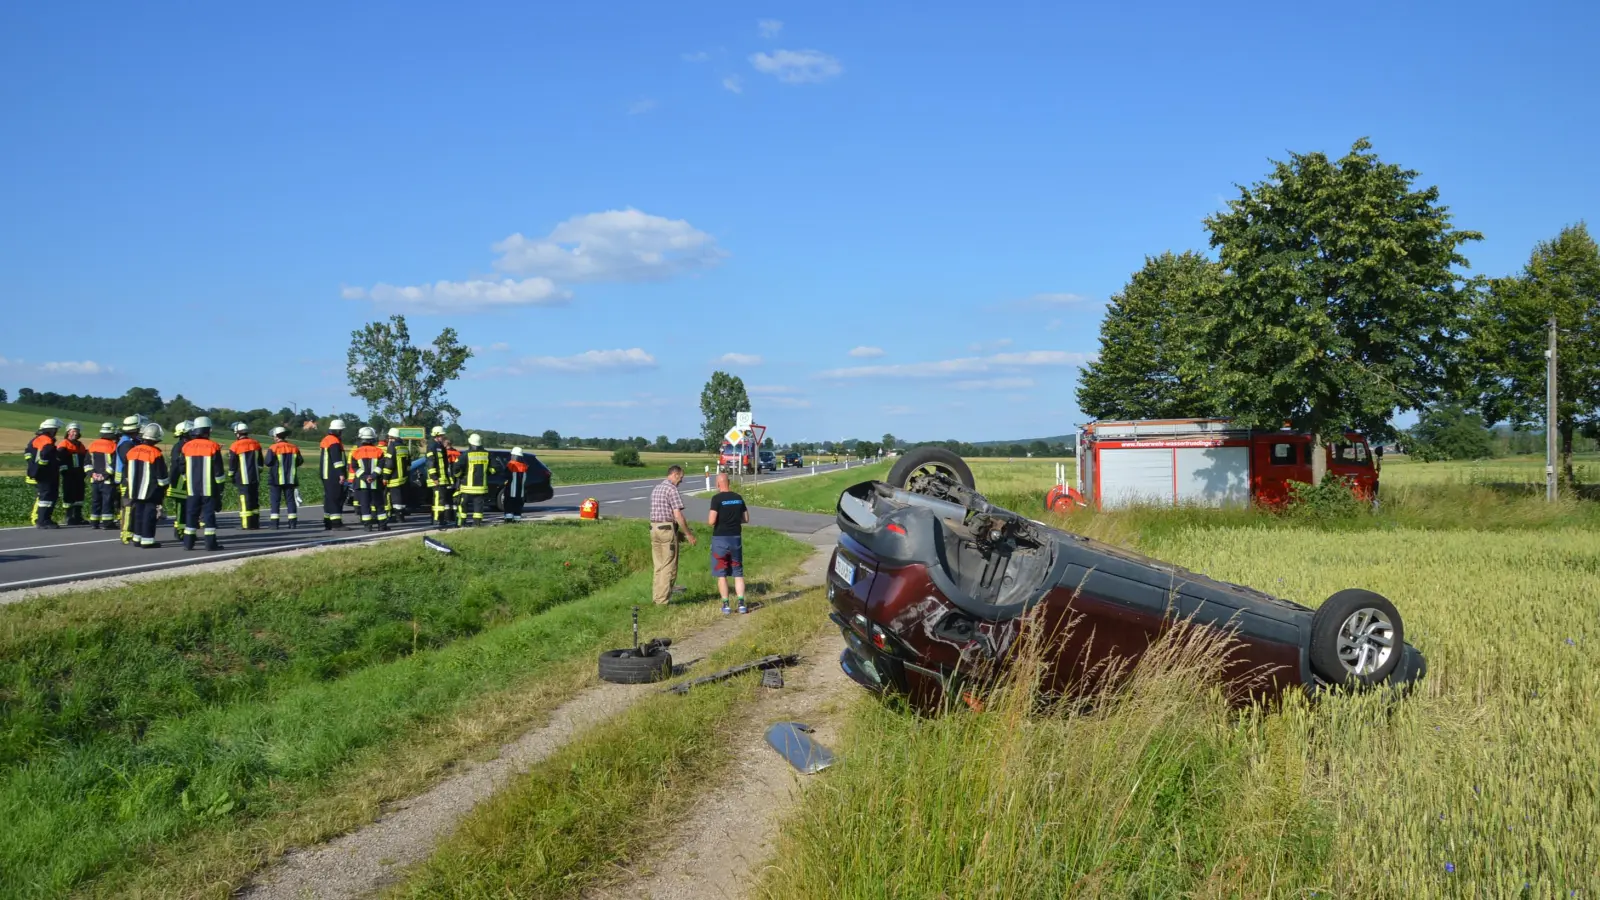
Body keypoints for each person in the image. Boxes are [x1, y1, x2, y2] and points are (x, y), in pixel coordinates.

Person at [648, 465, 697, 605]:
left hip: (654, 528)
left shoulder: (657, 488)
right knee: (669, 566)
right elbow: (677, 515)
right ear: (675, 474)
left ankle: (657, 597)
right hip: (666, 530)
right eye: (680, 478)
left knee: (658, 565)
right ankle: (662, 601)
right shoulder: (671, 489)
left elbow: (661, 513)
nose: (680, 481)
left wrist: (678, 532)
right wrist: (688, 534)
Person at [180, 416, 228, 551]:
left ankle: (188, 544)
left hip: (192, 489)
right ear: (208, 430)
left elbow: (181, 467)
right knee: (208, 516)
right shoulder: (213, 446)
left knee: (191, 515)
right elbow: (219, 471)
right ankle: (210, 544)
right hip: (209, 489)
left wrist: (187, 480)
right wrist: (220, 487)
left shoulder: (186, 446)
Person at [707, 472, 751, 614]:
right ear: (729, 482)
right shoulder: (738, 498)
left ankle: (726, 605)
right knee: (738, 572)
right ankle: (741, 603)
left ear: (718, 483)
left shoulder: (716, 499)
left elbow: (711, 521)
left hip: (720, 539)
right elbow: (746, 518)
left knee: (722, 573)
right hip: (735, 538)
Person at [123, 422, 169, 549]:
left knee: (137, 514)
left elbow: (126, 471)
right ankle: (147, 540)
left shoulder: (132, 451)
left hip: (134, 490)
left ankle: (137, 538)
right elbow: (162, 476)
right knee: (149, 515)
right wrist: (164, 489)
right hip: (150, 492)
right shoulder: (155, 453)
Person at [349, 426, 390, 531]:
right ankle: (382, 526)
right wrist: (372, 477)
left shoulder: (356, 452)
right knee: (379, 505)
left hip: (362, 484)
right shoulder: (379, 451)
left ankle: (367, 526)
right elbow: (381, 466)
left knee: (365, 505)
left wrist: (364, 477)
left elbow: (354, 467)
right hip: (375, 483)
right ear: (373, 439)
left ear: (361, 439)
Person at [24, 418, 63, 528]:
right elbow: (46, 454)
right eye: (55, 429)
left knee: (47, 496)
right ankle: (42, 520)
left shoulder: (36, 439)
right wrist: (43, 465)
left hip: (41, 472)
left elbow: (28, 453)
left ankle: (45, 519)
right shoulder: (46, 440)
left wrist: (34, 466)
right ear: (51, 429)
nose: (56, 431)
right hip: (46, 474)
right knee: (46, 496)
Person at [264, 426, 302, 528]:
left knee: (275, 501)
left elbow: (268, 462)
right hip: (291, 479)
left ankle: (274, 524)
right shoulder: (294, 447)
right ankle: (292, 523)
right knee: (290, 501)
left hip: (276, 479)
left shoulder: (273, 447)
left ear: (277, 436)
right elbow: (300, 461)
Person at [228, 422, 264, 530]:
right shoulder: (256, 443)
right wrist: (259, 471)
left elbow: (232, 463)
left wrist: (231, 475)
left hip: (242, 478)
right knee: (254, 500)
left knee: (245, 501)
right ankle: (255, 523)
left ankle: (246, 524)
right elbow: (260, 461)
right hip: (255, 477)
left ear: (237, 433)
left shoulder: (235, 445)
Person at [452, 433, 492, 526]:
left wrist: (460, 476)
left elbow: (456, 468)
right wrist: (486, 473)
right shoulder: (487, 454)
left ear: (470, 443)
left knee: (463, 505)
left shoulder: (466, 455)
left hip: (467, 487)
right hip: (481, 487)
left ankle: (461, 523)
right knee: (478, 506)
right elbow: (495, 468)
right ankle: (477, 524)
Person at [87, 422, 120, 530]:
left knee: (96, 501)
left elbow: (87, 462)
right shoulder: (113, 446)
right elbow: (115, 463)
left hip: (94, 479)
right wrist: (105, 475)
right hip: (107, 480)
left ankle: (94, 522)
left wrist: (92, 474)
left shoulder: (93, 444)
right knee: (107, 501)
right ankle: (107, 523)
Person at [115, 415, 143, 543]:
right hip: (127, 479)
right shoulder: (126, 443)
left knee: (131, 506)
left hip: (130, 478)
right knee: (128, 506)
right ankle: (126, 533)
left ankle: (131, 531)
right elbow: (129, 460)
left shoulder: (130, 441)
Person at [57, 423, 89, 526]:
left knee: (79, 496)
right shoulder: (64, 444)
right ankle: (69, 517)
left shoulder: (80, 445)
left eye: (77, 431)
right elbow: (60, 459)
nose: (75, 433)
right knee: (68, 496)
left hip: (79, 474)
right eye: (73, 431)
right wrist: (64, 471)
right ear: (68, 432)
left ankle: (78, 516)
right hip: (69, 474)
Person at [319, 418, 348, 530]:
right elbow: (337, 460)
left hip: (326, 474)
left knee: (329, 498)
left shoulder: (327, 439)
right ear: (338, 431)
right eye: (341, 431)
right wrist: (341, 474)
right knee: (335, 498)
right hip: (333, 474)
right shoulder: (334, 442)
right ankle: (336, 523)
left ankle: (328, 521)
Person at [166, 420, 193, 542]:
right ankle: (180, 532)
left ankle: (184, 531)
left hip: (181, 482)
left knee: (185, 508)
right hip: (180, 483)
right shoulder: (182, 447)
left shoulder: (181, 445)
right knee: (181, 509)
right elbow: (179, 467)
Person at [425, 426, 456, 528]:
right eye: (442, 435)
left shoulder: (440, 446)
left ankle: (438, 519)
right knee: (439, 500)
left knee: (439, 500)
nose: (443, 437)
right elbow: (430, 462)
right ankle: (437, 520)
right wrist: (434, 477)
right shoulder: (432, 446)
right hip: (437, 479)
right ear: (437, 435)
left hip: (442, 479)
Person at [383, 427, 410, 523]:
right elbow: (408, 463)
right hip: (403, 478)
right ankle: (401, 517)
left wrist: (385, 477)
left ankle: (395, 517)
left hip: (394, 478)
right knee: (401, 497)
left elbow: (389, 463)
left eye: (389, 438)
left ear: (392, 437)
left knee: (393, 497)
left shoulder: (392, 446)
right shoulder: (404, 447)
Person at [502, 447, 530, 522]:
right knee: (518, 506)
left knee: (508, 505)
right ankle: (517, 519)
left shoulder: (511, 464)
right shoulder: (524, 466)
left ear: (514, 455)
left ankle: (508, 519)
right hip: (520, 492)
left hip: (511, 490)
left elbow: (505, 475)